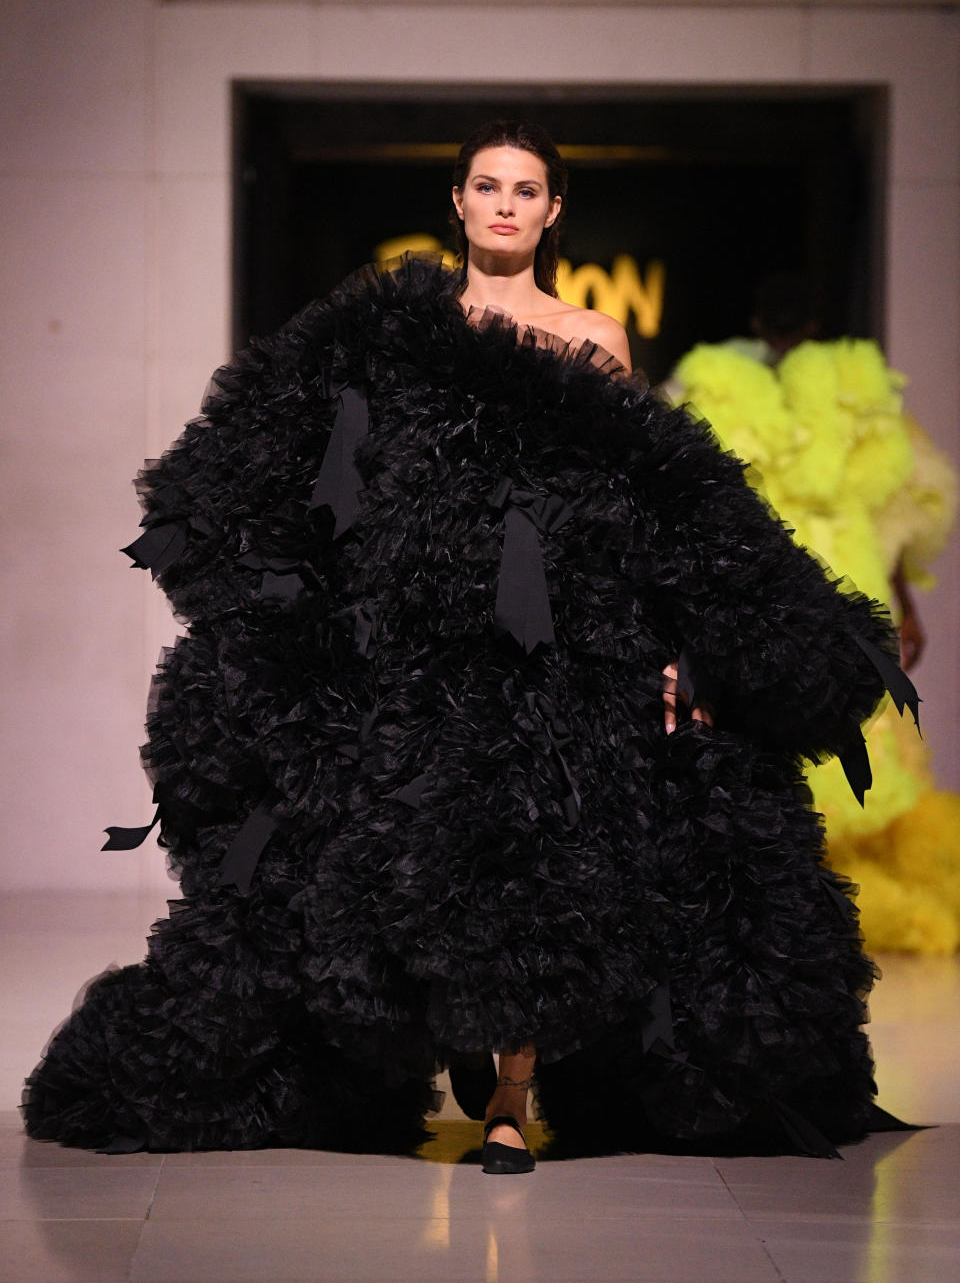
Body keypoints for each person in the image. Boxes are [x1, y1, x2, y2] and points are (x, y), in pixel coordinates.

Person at [24, 120, 917, 1175]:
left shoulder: (594, 340)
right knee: (418, 854)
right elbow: (321, 479)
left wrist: (680, 648)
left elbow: (634, 505)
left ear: (552, 211)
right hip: (419, 643)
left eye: (525, 189)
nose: (504, 204)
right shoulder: (397, 330)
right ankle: (442, 1047)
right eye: (486, 185)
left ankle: (510, 1096)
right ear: (456, 203)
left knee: (544, 865)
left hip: (563, 648)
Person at [671, 274, 960, 954]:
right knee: (810, 732)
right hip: (802, 580)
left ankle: (805, 895)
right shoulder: (842, 393)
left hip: (806, 578)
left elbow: (894, 503)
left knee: (828, 733)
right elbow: (898, 502)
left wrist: (904, 605)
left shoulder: (726, 390)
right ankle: (794, 892)